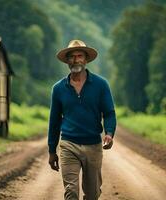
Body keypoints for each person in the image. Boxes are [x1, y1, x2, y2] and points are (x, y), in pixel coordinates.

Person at [48, 39, 117, 200]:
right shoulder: (58, 89)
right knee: (71, 191)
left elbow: (109, 113)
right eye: (72, 56)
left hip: (93, 145)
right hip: (68, 145)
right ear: (67, 61)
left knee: (92, 194)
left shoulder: (101, 85)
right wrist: (52, 150)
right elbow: (54, 121)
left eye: (80, 56)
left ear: (86, 60)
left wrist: (109, 133)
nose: (76, 59)